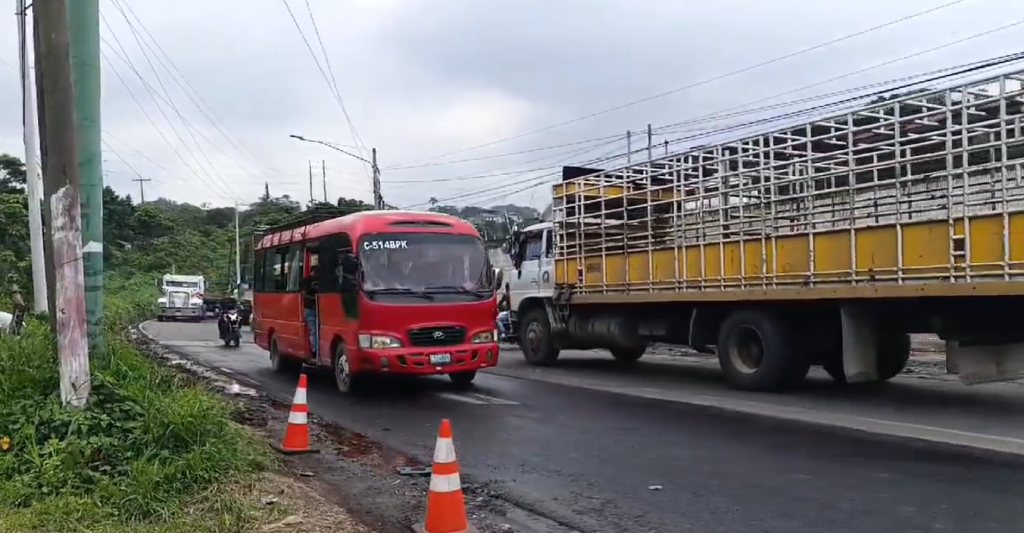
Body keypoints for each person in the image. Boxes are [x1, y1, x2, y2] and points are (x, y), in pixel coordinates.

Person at [301, 264, 319, 356]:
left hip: (319, 309)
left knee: (318, 330)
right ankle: (314, 350)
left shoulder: (320, 281)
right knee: (313, 330)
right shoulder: (307, 281)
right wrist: (314, 298)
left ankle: (318, 349)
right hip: (310, 308)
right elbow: (303, 294)